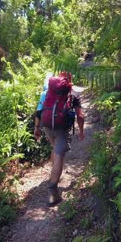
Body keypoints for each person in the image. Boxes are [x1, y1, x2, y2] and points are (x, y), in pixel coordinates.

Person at [34, 73, 85, 206]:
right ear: (69, 81)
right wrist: (81, 131)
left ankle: (55, 172)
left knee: (55, 147)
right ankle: (53, 190)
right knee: (59, 154)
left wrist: (36, 128)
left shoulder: (47, 92)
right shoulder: (72, 94)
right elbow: (80, 116)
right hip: (61, 127)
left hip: (47, 125)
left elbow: (39, 111)